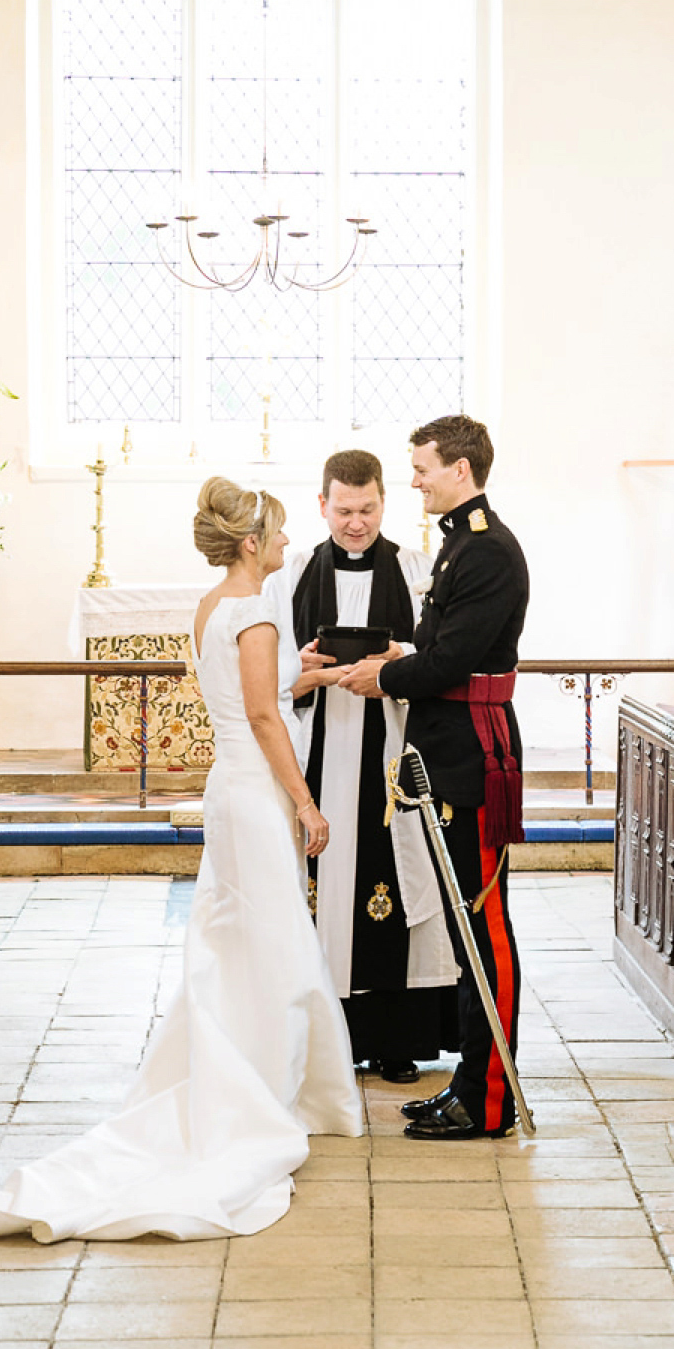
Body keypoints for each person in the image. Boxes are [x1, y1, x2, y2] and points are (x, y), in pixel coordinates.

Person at [0, 478, 363, 1244]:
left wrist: (314, 674)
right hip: (260, 792)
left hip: (228, 785)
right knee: (277, 945)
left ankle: (244, 1073)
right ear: (251, 544)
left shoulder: (213, 607)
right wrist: (305, 801)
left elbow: (244, 698)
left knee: (240, 939)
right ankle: (264, 1095)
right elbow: (264, 714)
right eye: (283, 533)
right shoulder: (258, 611)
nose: (292, 544)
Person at [341, 414, 529, 1141]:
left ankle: (489, 1100)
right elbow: (447, 647)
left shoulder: (486, 551)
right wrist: (400, 653)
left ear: (459, 468)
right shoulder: (460, 545)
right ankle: (467, 1081)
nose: (412, 479)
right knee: (465, 928)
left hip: (473, 756)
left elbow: (452, 665)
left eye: (420, 467)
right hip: (448, 748)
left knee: (488, 932)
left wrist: (383, 673)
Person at [266, 448, 457, 1085]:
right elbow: (268, 675)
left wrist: (395, 660)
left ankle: (395, 1043)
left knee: (395, 889)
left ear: (384, 502)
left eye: (368, 509)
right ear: (322, 505)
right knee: (320, 894)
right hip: (317, 751)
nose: (356, 523)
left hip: (390, 752)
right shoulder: (291, 574)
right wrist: (306, 670)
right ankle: (325, 1043)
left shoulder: (412, 569)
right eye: (343, 510)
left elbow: (434, 659)